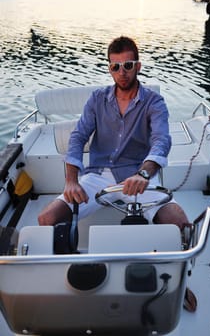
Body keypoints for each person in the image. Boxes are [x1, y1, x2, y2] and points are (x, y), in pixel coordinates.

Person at [38, 35, 189, 230]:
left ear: (138, 66)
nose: (122, 72)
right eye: (115, 67)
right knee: (47, 219)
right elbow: (78, 136)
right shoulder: (97, 98)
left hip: (138, 176)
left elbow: (162, 140)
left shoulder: (154, 102)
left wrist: (143, 174)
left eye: (128, 65)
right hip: (97, 176)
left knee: (181, 224)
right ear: (110, 69)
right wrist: (71, 181)